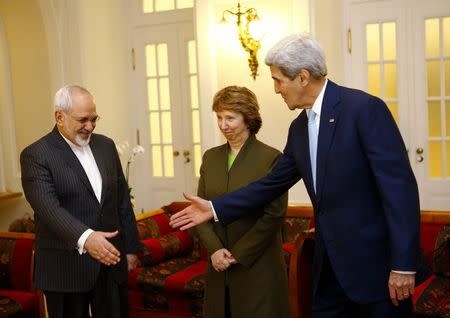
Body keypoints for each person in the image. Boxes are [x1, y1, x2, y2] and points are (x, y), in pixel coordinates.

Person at [170, 34, 421, 317]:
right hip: (327, 269)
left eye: (278, 80)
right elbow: (272, 183)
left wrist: (403, 264)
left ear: (302, 77)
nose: (276, 89)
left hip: (377, 269)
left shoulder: (363, 110)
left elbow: (399, 190)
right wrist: (215, 208)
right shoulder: (299, 128)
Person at [20, 85, 141, 318]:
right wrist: (87, 239)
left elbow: (122, 200)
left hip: (110, 261)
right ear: (59, 117)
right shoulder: (36, 154)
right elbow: (48, 209)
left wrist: (131, 248)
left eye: (94, 118)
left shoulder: (105, 145)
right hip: (65, 268)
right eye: (83, 119)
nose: (90, 126)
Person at [195, 86, 290, 318]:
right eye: (219, 117)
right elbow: (201, 209)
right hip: (218, 265)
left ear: (248, 118)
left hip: (258, 265)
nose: (223, 125)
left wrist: (238, 254)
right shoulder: (210, 157)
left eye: (230, 118)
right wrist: (216, 251)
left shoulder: (271, 158)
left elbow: (274, 215)